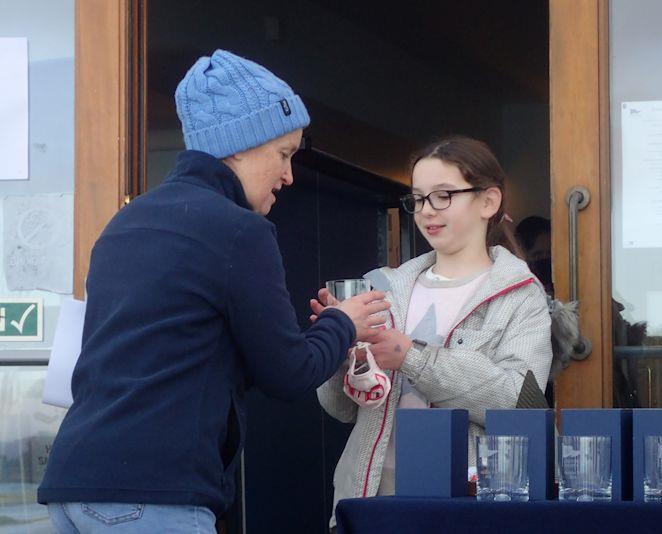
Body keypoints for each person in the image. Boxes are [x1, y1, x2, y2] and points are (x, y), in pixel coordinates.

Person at [37, 50, 388, 533]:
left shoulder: (125, 221)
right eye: (283, 154)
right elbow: (289, 373)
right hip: (154, 491)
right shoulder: (238, 231)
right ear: (239, 145)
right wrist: (343, 322)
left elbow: (171, 355)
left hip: (71, 485)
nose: (289, 176)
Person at [314, 136, 553, 529]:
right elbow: (339, 409)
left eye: (443, 196)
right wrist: (339, 344)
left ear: (488, 202)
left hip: (469, 501)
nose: (427, 211)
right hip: (371, 495)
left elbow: (518, 402)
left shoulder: (520, 295)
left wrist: (412, 356)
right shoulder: (383, 286)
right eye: (419, 198)